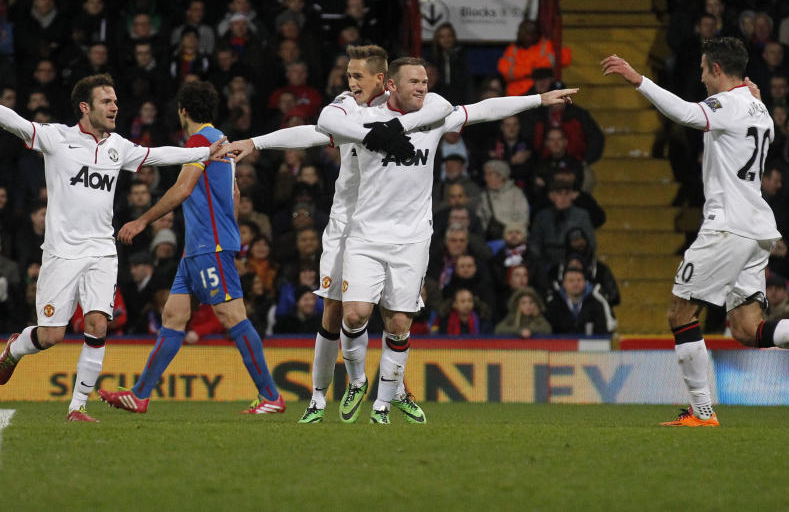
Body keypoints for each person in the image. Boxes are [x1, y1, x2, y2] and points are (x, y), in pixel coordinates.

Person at [219, 58, 575, 424]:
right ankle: (347, 386)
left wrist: (538, 99)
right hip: (364, 231)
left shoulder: (436, 114)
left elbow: (484, 110)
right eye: (415, 81)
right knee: (349, 313)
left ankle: (385, 404)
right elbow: (312, 130)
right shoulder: (356, 118)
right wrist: (255, 142)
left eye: (425, 81)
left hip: (413, 238)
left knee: (399, 323)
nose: (423, 87)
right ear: (391, 84)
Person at [601, 38, 789, 427]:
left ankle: (702, 412)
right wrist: (755, 97)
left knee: (680, 311)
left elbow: (686, 113)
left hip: (727, 226)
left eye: (703, 69)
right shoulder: (759, 108)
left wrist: (638, 80)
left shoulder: (729, 104)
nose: (700, 77)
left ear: (717, 69)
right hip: (756, 230)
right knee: (748, 329)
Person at [0, 74, 224, 422]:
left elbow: (157, 155)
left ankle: (77, 407)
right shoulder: (58, 138)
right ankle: (15, 348)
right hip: (61, 253)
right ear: (85, 107)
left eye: (115, 100)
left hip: (102, 250)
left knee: (98, 324)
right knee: (52, 335)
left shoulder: (118, 146)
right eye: (106, 101)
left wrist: (206, 152)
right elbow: (19, 125)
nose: (114, 106)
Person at [220, 45, 452, 424]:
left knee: (394, 314)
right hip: (348, 225)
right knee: (336, 311)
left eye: (357, 76)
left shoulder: (414, 107)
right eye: (348, 76)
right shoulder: (347, 108)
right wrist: (257, 142)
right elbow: (315, 129)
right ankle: (320, 396)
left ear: (382, 79)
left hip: (394, 227)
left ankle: (393, 393)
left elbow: (450, 109)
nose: (349, 83)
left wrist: (397, 128)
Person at [98, 82, 284, 416]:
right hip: (200, 245)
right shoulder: (221, 140)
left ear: (183, 111)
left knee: (232, 316)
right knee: (174, 315)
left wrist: (142, 221)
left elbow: (183, 189)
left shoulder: (200, 143)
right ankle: (140, 394)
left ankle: (271, 394)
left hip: (208, 245)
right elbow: (236, 194)